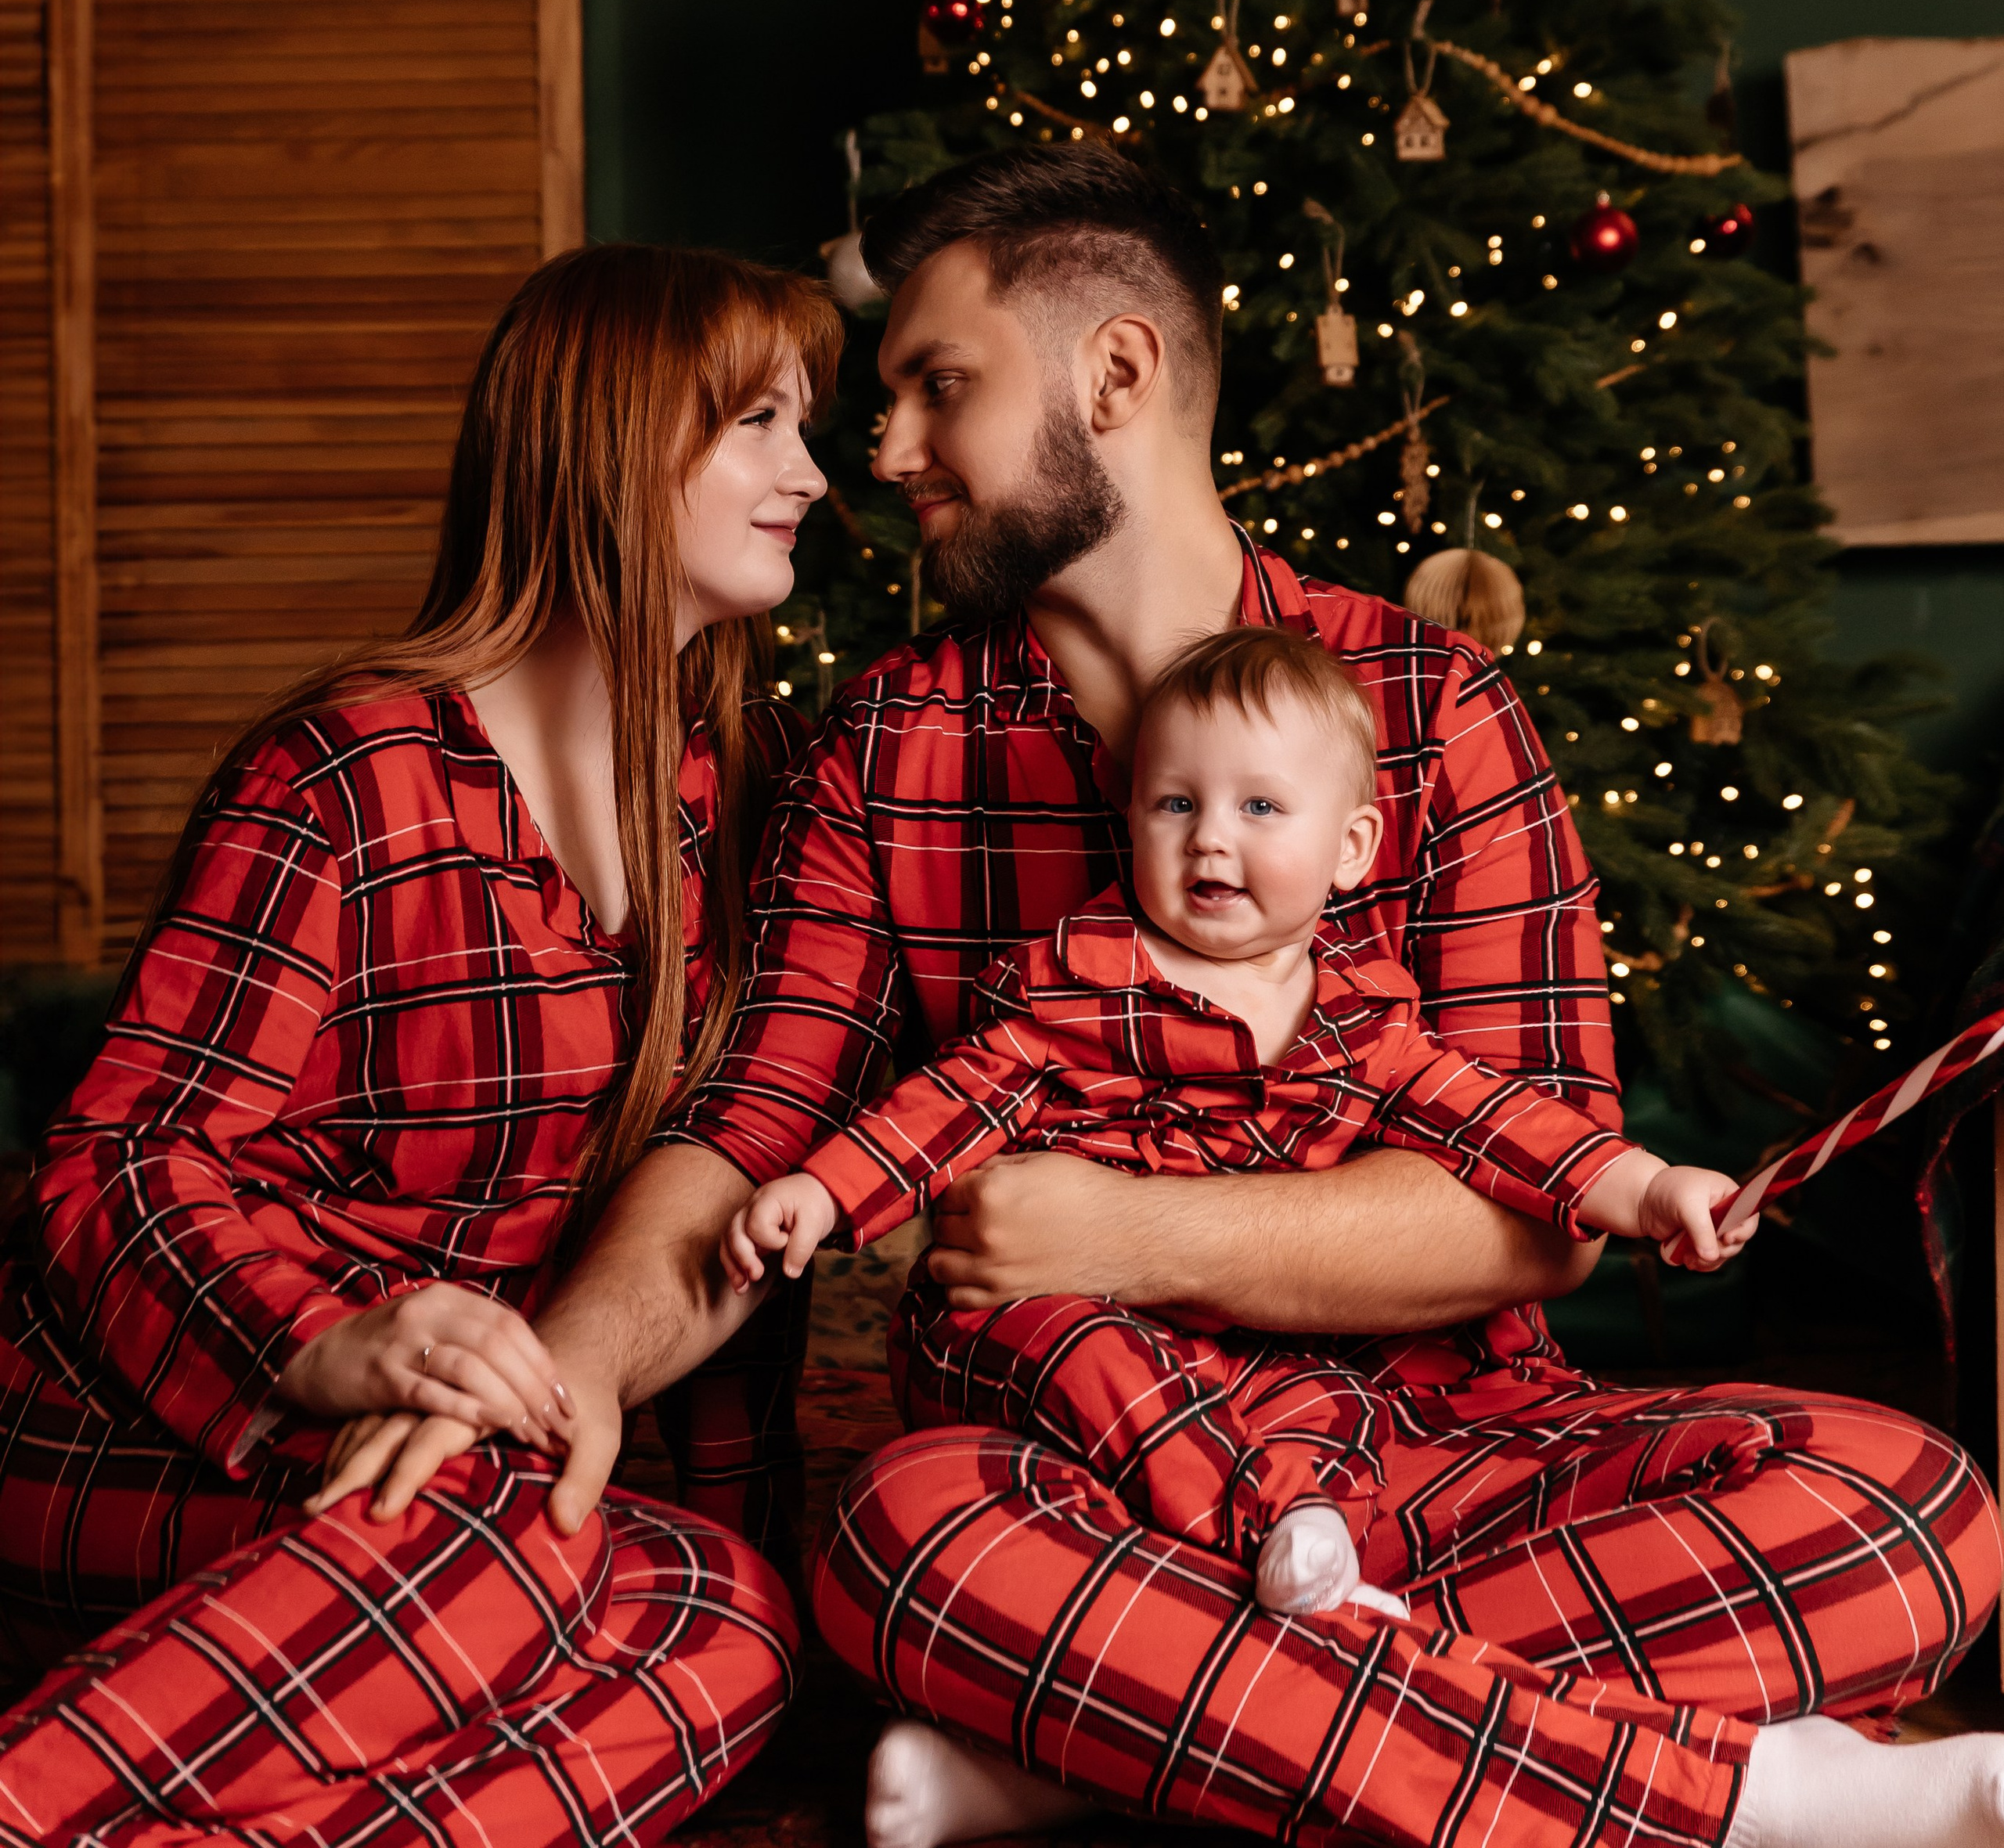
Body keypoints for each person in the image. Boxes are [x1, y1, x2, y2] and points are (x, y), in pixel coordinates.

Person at [335, 152, 2004, 1848]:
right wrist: (578, 1370)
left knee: (1911, 1514)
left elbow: (1543, 1207)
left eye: (936, 389)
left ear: (1114, 377)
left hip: (1440, 1457)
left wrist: (1123, 1235)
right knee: (907, 1537)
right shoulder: (883, 753)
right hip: (1076, 1482)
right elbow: (757, 1125)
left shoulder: (1427, 707)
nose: (882, 454)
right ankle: (1731, 1797)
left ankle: (1087, 1748)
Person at [0, 243, 839, 1848]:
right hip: (178, 1427)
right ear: (608, 438)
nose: (806, 473)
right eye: (753, 424)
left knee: (729, 1618)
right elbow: (113, 1164)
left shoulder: (745, 797)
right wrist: (319, 1344)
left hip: (489, 1456)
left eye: (802, 424)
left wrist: (714, 1504)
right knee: (532, 1525)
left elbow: (727, 1204)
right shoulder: (345, 776)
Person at [726, 623, 1753, 1623]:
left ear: (1351, 849)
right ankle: (1276, 1546)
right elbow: (946, 1102)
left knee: (1336, 1400)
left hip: (1269, 1349)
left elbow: (1509, 1128)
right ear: (1133, 819)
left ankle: (1242, 1601)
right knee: (1070, 1353)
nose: (1211, 835)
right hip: (1071, 1319)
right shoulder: (1078, 989)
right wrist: (823, 1193)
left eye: (1261, 805)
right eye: (1176, 802)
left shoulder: (1362, 1024)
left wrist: (1653, 1191)